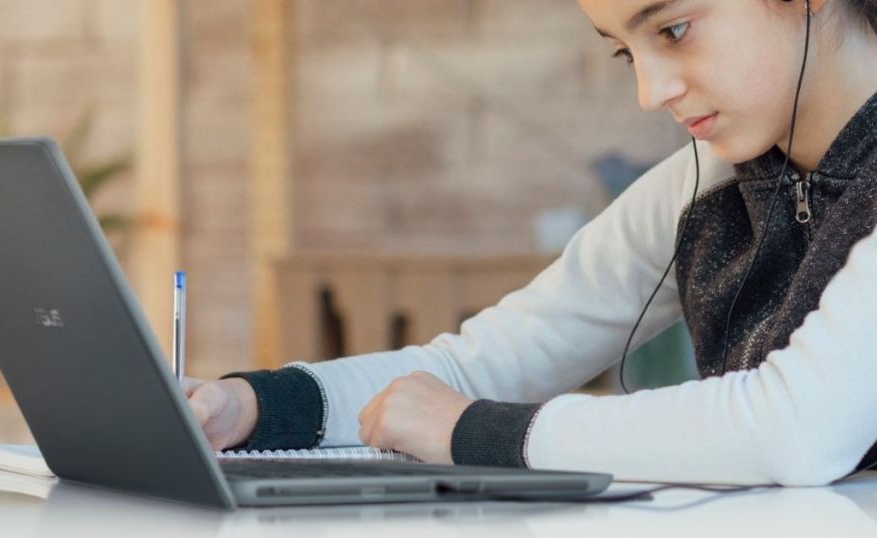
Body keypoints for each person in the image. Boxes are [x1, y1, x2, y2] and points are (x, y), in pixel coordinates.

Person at [186, 0, 877, 486]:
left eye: (673, 29)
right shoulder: (702, 186)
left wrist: (475, 433)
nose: (650, 90)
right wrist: (250, 407)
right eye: (623, 50)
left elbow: (794, 428)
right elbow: (489, 364)